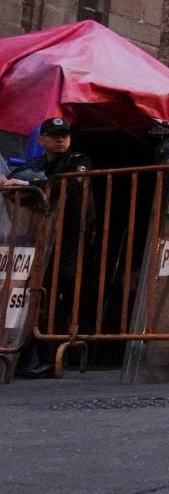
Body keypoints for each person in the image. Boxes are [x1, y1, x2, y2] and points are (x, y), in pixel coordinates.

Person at [9, 117, 92, 378]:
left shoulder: (78, 161)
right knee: (36, 294)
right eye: (55, 135)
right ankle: (25, 353)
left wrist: (31, 184)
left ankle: (51, 356)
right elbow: (16, 180)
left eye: (65, 134)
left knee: (58, 295)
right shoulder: (37, 163)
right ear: (42, 139)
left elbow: (69, 188)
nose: (61, 139)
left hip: (70, 237)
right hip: (37, 240)